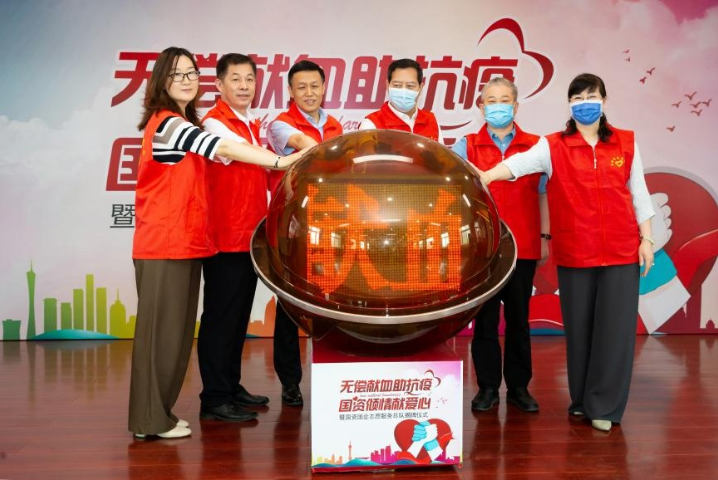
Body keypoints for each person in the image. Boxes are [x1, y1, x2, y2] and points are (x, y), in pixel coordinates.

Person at [129, 47, 302, 439]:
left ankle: (160, 414)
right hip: (164, 243)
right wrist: (280, 161)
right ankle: (149, 420)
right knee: (160, 337)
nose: (186, 80)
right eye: (177, 74)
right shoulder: (168, 123)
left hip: (186, 242)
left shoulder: (184, 121)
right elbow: (221, 147)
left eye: (191, 73)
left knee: (174, 337)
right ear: (160, 81)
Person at [476, 73, 655, 432]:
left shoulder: (625, 143)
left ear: (604, 100)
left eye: (592, 96)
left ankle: (604, 406)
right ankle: (582, 400)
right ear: (569, 105)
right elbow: (518, 164)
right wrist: (487, 175)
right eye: (578, 98)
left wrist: (646, 240)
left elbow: (639, 193)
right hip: (576, 251)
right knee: (580, 330)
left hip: (620, 251)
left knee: (614, 331)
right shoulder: (553, 145)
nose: (585, 104)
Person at [199, 53, 308, 421]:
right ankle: (214, 398)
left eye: (249, 79)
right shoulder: (215, 123)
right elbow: (244, 154)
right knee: (221, 317)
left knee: (238, 316)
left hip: (249, 234)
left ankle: (231, 387)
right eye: (236, 79)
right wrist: (283, 160)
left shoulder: (250, 122)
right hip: (225, 236)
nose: (244, 86)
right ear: (219, 84)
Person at [451, 77, 549, 413]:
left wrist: (545, 237)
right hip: (484, 249)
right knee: (486, 320)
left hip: (524, 245)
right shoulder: (466, 145)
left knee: (520, 320)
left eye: (504, 100)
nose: (498, 107)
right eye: (490, 101)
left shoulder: (536, 146)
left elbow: (543, 195)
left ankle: (519, 388)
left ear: (516, 106)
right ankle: (488, 387)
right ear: (481, 107)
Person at [266, 60, 344, 406]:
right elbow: (304, 143)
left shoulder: (336, 125)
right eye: (301, 87)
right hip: (294, 230)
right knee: (289, 308)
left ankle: (334, 377)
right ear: (290, 91)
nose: (309, 93)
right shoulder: (280, 125)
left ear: (324, 88)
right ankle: (290, 382)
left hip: (333, 229)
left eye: (315, 86)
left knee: (331, 304)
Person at [359, 58, 443, 143]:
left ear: (420, 88)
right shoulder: (371, 124)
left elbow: (441, 152)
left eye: (410, 86)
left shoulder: (431, 120)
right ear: (387, 85)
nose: (403, 91)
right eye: (397, 85)